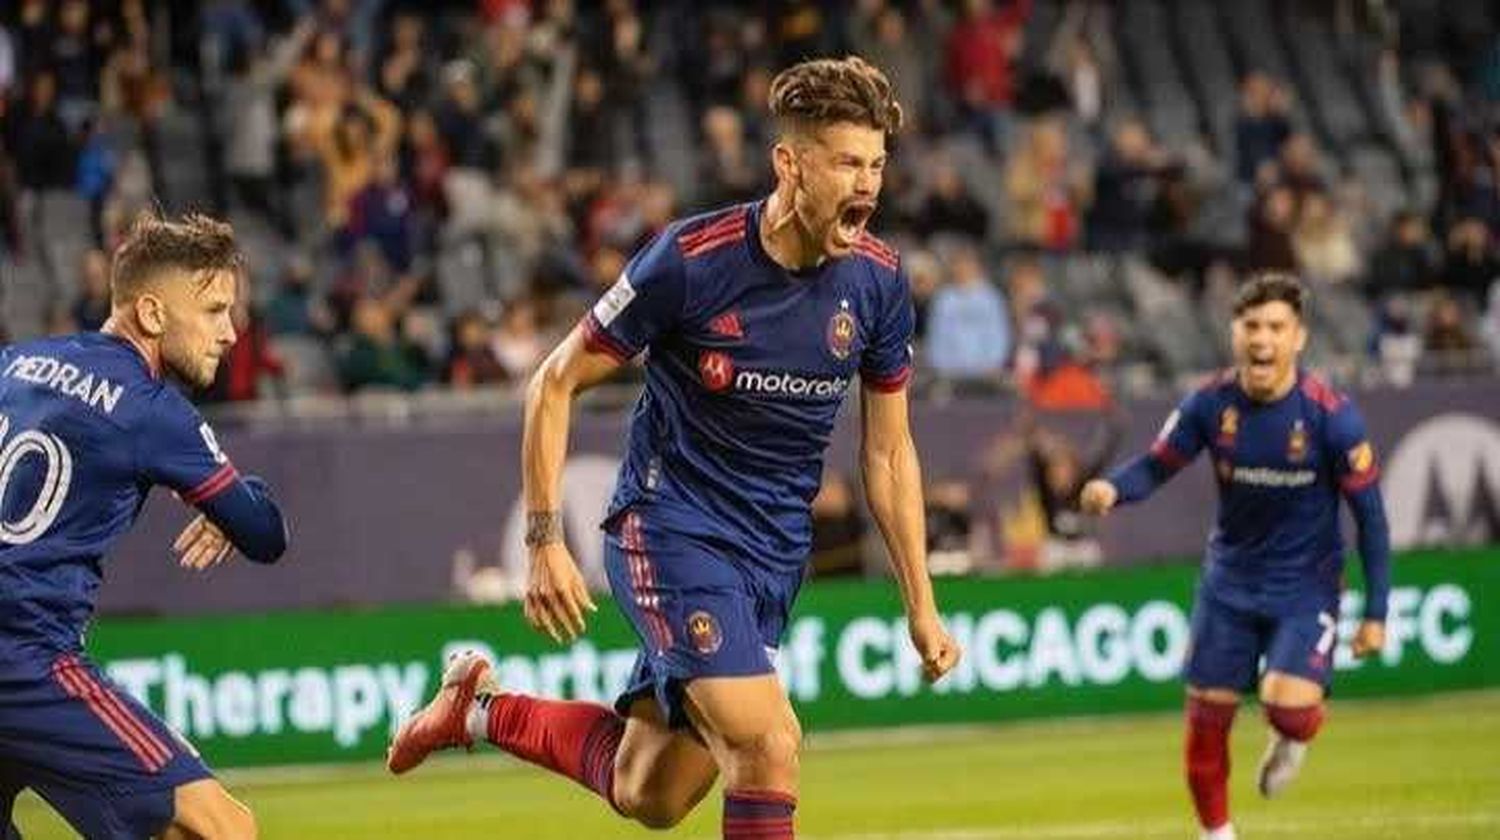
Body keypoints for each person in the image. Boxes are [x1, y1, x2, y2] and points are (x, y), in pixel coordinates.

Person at [387, 56, 961, 839]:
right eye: (846, 163)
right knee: (768, 745)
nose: (867, 185)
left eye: (876, 165)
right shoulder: (692, 260)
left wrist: (920, 605)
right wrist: (544, 538)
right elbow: (553, 383)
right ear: (789, 164)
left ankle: (478, 711)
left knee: (647, 790)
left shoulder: (879, 285)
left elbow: (889, 455)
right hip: (672, 527)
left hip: (771, 557)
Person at [0, 212, 289, 838]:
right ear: (153, 315)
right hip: (25, 656)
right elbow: (266, 535)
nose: (232, 333)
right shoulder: (152, 410)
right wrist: (235, 500)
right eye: (214, 311)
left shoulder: (15, 363)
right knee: (220, 829)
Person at [1079, 273, 1391, 840]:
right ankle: (1217, 834)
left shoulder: (1331, 417)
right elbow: (1156, 463)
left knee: (1288, 710)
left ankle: (1291, 740)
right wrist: (1113, 490)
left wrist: (1376, 613)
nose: (1262, 339)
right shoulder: (1209, 403)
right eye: (1251, 326)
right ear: (1234, 333)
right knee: (1206, 720)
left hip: (1306, 586)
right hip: (1229, 584)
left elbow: (1371, 517)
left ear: (1298, 337)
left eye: (1276, 327)